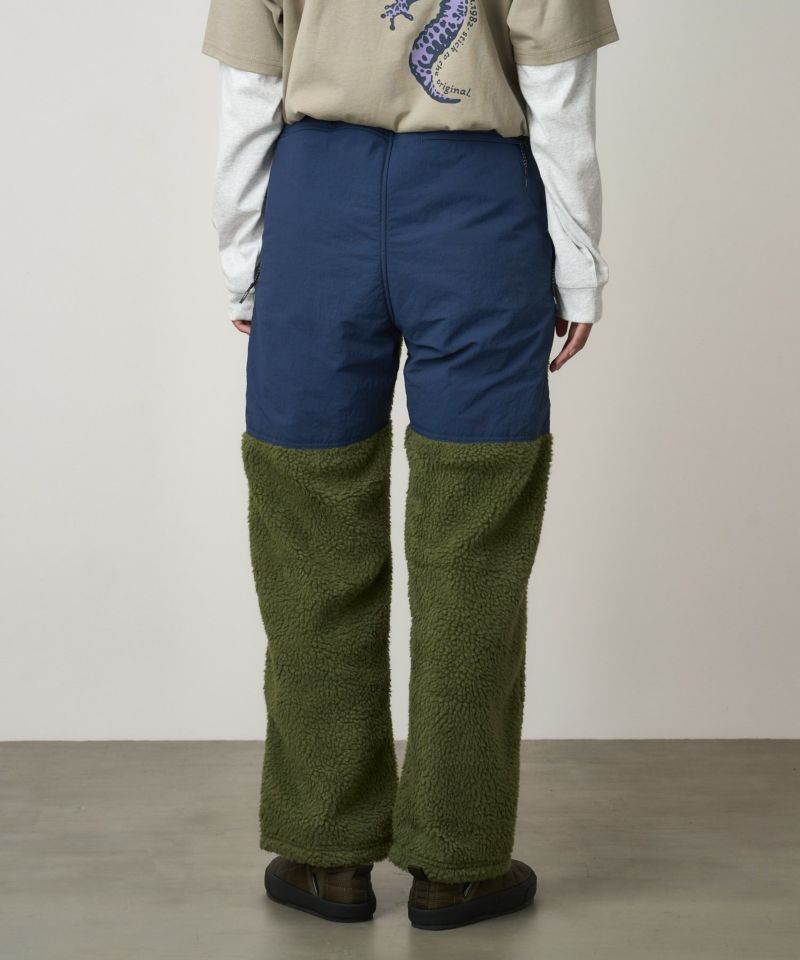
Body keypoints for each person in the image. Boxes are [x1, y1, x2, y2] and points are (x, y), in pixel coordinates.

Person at [202, 0, 618, 931]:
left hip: (315, 209)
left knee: (310, 533)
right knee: (474, 542)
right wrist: (580, 265)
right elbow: (558, 92)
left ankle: (324, 852)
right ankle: (457, 863)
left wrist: (243, 257)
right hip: (478, 216)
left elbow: (249, 92)